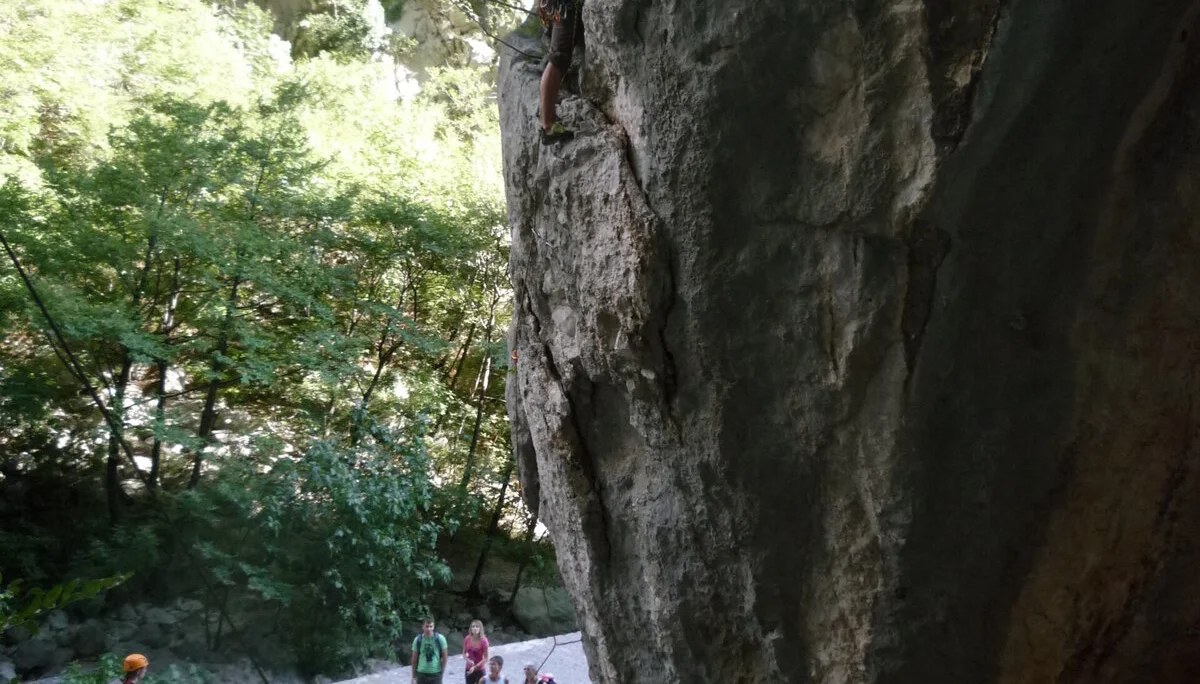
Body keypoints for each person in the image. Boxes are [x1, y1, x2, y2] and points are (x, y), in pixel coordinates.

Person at [537, 0, 584, 145]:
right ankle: (549, 126)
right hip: (564, 7)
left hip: (561, 7)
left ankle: (549, 125)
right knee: (558, 58)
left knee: (559, 58)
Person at [410, 617, 449, 684]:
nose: (429, 629)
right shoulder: (418, 640)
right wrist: (413, 676)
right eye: (427, 626)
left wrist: (441, 672)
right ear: (423, 627)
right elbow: (414, 659)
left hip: (436, 673)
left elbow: (445, 657)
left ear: (433, 627)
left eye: (431, 626)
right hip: (421, 674)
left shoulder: (440, 638)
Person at [463, 619, 490, 684]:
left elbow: (486, 658)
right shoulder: (467, 639)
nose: (475, 628)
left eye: (477, 626)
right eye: (473, 626)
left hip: (480, 669)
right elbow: (464, 653)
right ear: (471, 628)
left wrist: (475, 666)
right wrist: (468, 660)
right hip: (469, 668)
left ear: (480, 628)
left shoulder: (484, 641)